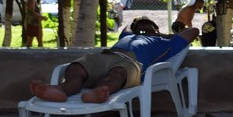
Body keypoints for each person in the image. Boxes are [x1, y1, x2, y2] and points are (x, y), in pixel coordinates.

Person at [28, 17, 198, 104]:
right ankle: (62, 90)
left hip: (132, 62)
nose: (142, 26)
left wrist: (165, 35)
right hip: (107, 55)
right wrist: (135, 25)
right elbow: (126, 27)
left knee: (118, 74)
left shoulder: (166, 42)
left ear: (157, 29)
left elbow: (194, 31)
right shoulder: (127, 36)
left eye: (147, 24)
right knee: (76, 68)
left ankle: (98, 93)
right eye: (139, 25)